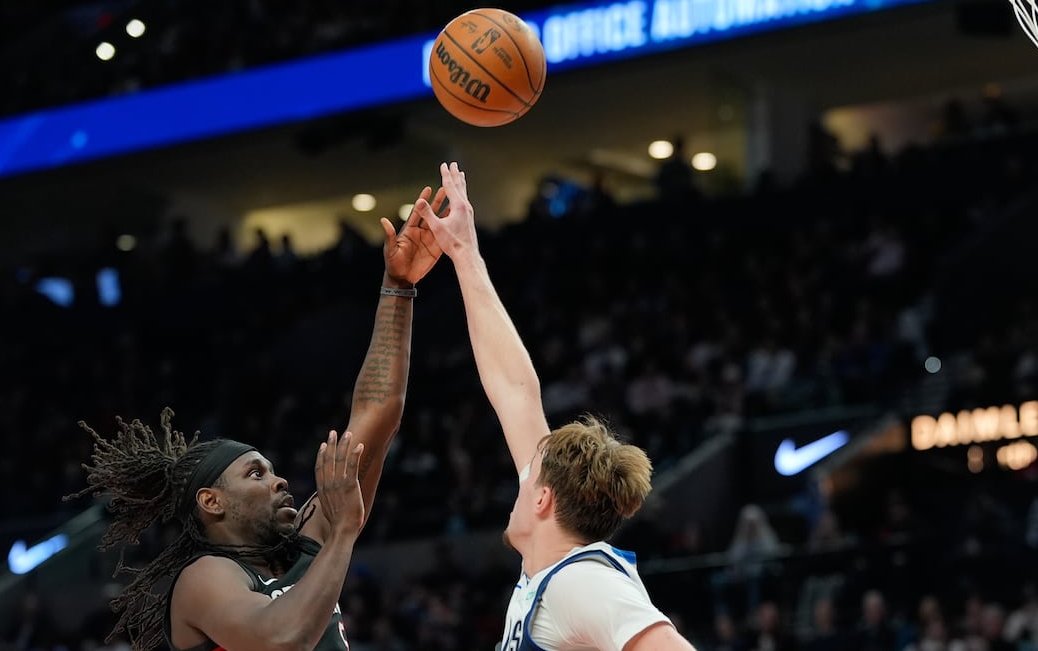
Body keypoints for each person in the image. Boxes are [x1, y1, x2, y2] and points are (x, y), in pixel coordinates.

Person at [65, 180, 450, 651]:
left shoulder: (305, 546)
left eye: (270, 470)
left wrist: (398, 287)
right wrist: (343, 533)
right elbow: (280, 639)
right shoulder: (205, 578)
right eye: (255, 473)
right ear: (212, 501)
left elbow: (378, 413)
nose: (280, 480)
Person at [411, 161, 695, 651]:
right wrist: (464, 254)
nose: (521, 474)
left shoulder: (580, 584)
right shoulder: (551, 580)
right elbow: (515, 391)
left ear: (543, 500)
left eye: (528, 474)